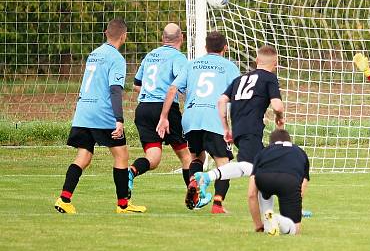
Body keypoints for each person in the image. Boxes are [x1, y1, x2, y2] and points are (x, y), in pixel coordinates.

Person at [54, 18, 146, 214]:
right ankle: (123, 205)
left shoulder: (94, 54)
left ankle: (64, 199)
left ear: (106, 32)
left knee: (84, 155)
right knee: (121, 155)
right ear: (124, 36)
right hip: (101, 113)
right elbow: (114, 90)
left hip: (83, 111)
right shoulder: (116, 59)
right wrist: (119, 119)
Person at [191, 45, 285, 209]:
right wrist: (279, 118)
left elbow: (221, 101)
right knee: (251, 168)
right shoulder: (269, 78)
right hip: (252, 130)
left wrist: (226, 128)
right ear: (275, 63)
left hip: (239, 129)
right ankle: (206, 177)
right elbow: (277, 106)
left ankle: (278, 212)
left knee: (264, 168)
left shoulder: (240, 79)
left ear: (256, 60)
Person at [157, 31, 240, 213]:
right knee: (223, 163)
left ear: (205, 47)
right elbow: (235, 98)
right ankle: (218, 204)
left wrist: (164, 117)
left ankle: (194, 181)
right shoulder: (230, 67)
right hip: (214, 118)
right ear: (225, 48)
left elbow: (172, 89)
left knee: (196, 157)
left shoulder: (191, 64)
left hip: (191, 117)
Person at [128, 23, 193, 191]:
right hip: (165, 109)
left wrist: (151, 92)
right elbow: (182, 86)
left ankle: (132, 170)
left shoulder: (150, 55)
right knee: (186, 157)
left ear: (163, 38)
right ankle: (194, 196)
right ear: (182, 38)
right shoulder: (179, 58)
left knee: (153, 158)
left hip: (143, 109)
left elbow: (136, 85)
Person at [248, 129, 309, 236]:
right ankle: (276, 218)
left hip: (264, 179)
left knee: (263, 191)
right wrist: (294, 206)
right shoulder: (300, 152)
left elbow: (251, 194)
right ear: (290, 141)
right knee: (294, 230)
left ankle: (267, 223)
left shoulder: (263, 152)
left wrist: (258, 225)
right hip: (289, 181)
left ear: (271, 143)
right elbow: (302, 189)